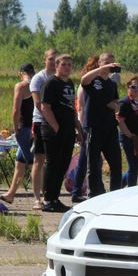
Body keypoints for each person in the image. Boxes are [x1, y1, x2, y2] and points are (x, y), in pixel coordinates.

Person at [40, 54, 80, 212]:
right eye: (64, 64)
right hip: (53, 130)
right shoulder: (51, 83)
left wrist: (78, 128)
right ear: (56, 66)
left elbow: (72, 108)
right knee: (53, 164)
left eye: (70, 65)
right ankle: (48, 199)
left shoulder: (69, 83)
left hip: (69, 129)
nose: (67, 67)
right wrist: (56, 127)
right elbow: (45, 107)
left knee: (63, 164)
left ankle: (55, 198)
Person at [81, 53, 122, 196]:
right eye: (106, 62)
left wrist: (115, 106)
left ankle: (115, 194)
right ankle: (94, 193)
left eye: (112, 62)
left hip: (110, 127)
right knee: (93, 164)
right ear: (99, 63)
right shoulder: (94, 80)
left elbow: (116, 102)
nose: (110, 65)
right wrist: (101, 69)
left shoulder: (111, 83)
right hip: (94, 126)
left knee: (116, 163)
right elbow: (83, 80)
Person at [0, 63, 36, 204]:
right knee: (20, 163)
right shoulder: (39, 84)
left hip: (24, 128)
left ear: (21, 73)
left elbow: (16, 110)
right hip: (35, 127)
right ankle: (11, 194)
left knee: (33, 163)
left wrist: (15, 128)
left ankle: (42, 197)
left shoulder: (21, 86)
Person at [29, 48, 58, 209]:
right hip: (41, 122)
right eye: (51, 59)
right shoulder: (38, 78)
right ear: (45, 60)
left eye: (56, 59)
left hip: (56, 122)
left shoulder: (59, 78)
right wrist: (51, 120)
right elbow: (38, 104)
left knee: (53, 160)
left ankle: (50, 194)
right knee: (39, 159)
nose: (54, 62)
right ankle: (37, 197)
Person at [70, 56, 100, 203]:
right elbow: (80, 107)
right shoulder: (84, 85)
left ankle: (79, 189)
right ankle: (77, 190)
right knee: (84, 160)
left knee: (87, 159)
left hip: (94, 125)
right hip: (85, 126)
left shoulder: (98, 85)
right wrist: (81, 128)